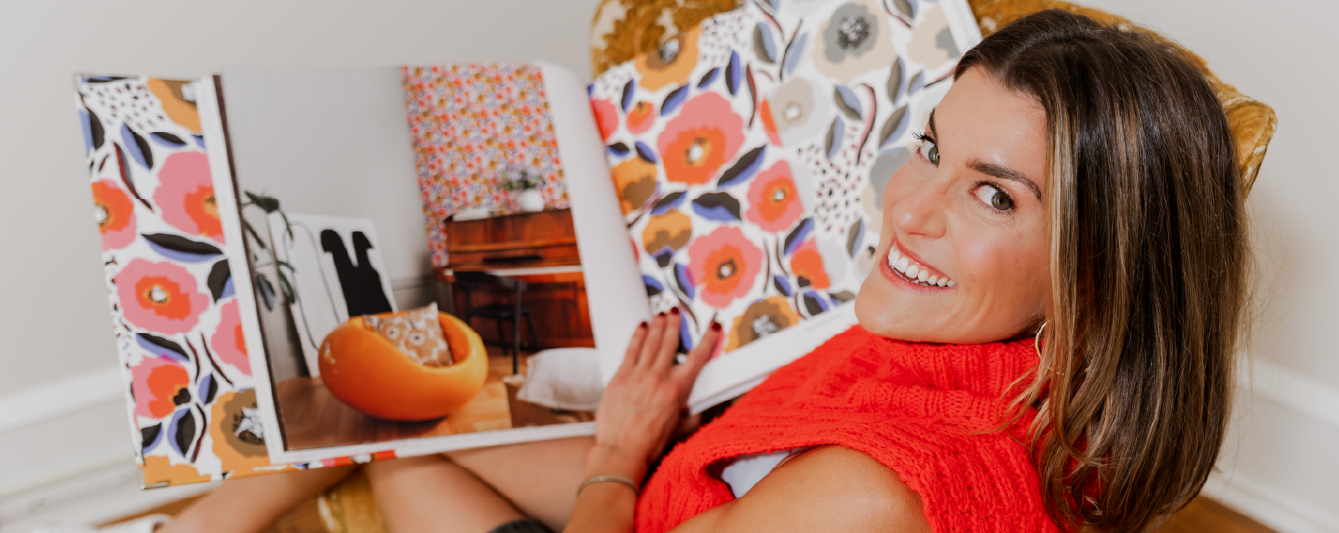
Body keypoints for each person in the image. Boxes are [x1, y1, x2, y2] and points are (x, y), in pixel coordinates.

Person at [82, 9, 1251, 533]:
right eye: (932, 150)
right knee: (406, 399)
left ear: (1102, 263)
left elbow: (847, 481)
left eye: (993, 193)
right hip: (705, 479)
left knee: (394, 451)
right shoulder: (1010, 355)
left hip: (649, 502)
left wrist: (613, 453)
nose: (909, 204)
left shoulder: (870, 496)